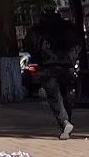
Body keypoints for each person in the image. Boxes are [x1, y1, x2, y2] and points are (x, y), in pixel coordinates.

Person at [27, 11, 84, 140]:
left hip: (48, 66)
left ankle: (64, 122)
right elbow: (78, 43)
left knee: (54, 97)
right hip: (67, 66)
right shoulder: (68, 28)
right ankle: (67, 122)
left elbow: (31, 45)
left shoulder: (39, 30)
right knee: (66, 95)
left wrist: (39, 59)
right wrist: (72, 58)